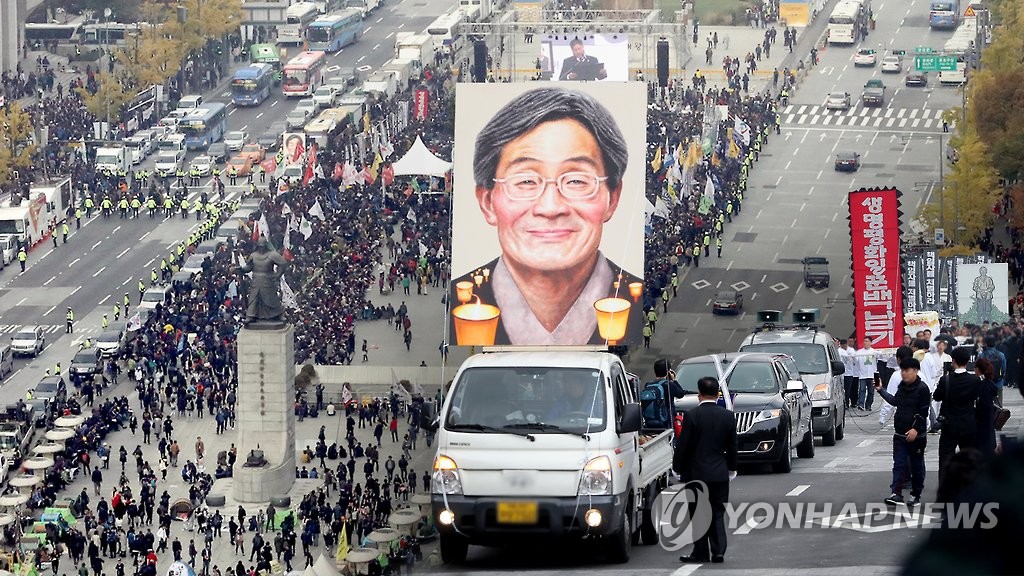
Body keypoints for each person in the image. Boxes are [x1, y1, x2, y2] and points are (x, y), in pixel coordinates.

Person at [449, 87, 642, 345]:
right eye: (526, 181)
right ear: (487, 202)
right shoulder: (458, 303)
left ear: (613, 198)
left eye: (576, 181)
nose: (550, 208)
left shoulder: (639, 302)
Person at [673, 377, 737, 564]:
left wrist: (677, 468)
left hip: (696, 473)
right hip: (719, 473)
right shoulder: (727, 416)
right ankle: (718, 551)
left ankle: (700, 552)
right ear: (717, 394)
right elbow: (732, 446)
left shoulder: (692, 415)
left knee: (698, 514)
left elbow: (683, 445)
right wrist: (732, 468)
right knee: (717, 512)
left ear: (699, 394)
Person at [875, 357, 931, 506]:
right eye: (902, 371)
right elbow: (895, 401)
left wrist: (915, 429)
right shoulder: (902, 386)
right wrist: (881, 390)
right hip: (900, 434)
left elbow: (923, 412)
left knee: (916, 466)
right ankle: (896, 493)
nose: (904, 373)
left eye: (907, 370)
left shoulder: (923, 389)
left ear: (916, 371)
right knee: (899, 464)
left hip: (916, 436)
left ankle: (916, 495)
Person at [933, 346, 981, 491]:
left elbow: (936, 397)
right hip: (968, 424)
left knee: (946, 457)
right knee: (969, 458)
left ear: (953, 361)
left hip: (949, 425)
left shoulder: (946, 380)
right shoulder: (975, 380)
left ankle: (945, 489)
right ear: (968, 361)